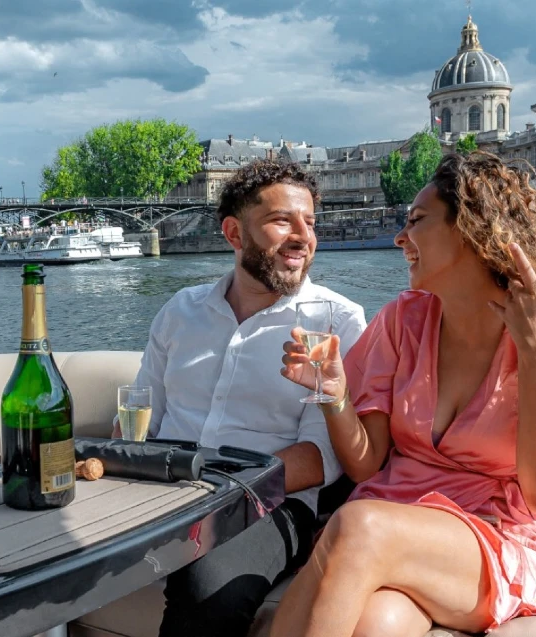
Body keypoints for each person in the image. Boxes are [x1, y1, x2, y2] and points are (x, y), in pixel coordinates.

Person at [272, 151, 536, 637]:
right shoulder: (401, 321)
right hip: (398, 521)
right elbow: (366, 464)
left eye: (416, 221)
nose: (400, 237)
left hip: (493, 533)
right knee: (378, 624)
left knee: (358, 525)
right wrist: (333, 393)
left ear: (474, 231)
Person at [118, 158, 367, 637]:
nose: (303, 236)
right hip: (160, 489)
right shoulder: (181, 311)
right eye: (282, 221)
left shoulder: (336, 322)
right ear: (234, 234)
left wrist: (210, 489)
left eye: (310, 222)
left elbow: (320, 459)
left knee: (211, 588)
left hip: (271, 502)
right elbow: (140, 417)